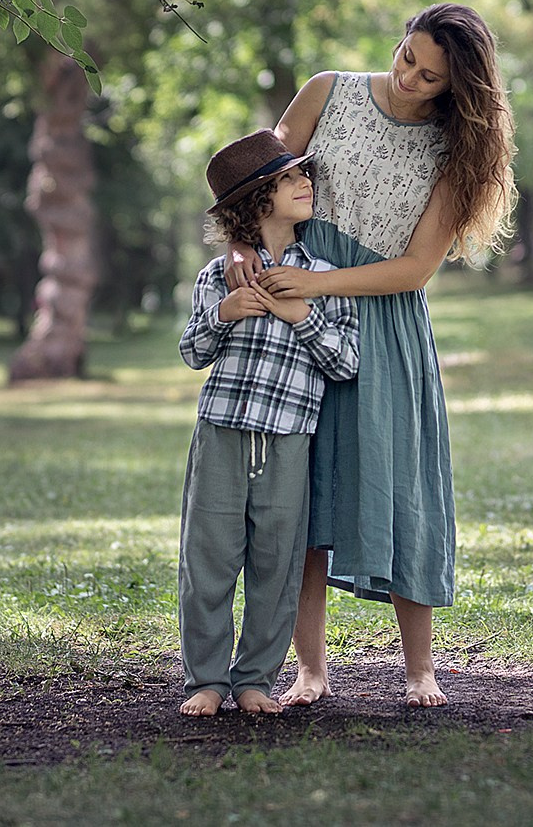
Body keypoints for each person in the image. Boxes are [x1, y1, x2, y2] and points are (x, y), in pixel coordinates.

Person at [230, 3, 516, 707]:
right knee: (297, 496)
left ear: (457, 87)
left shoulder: (454, 152)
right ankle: (310, 670)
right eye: (407, 57)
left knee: (399, 488)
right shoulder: (326, 91)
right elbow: (252, 190)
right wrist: (242, 251)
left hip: (382, 323)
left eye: (430, 76)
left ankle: (420, 669)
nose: (409, 77)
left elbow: (417, 268)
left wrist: (322, 282)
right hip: (291, 314)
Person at [175, 129, 360, 717]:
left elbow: (346, 362)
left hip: (288, 439)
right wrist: (225, 314)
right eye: (288, 179)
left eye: (303, 174)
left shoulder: (326, 279)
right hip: (222, 430)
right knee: (208, 558)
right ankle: (206, 679)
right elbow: (191, 352)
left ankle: (255, 678)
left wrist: (299, 315)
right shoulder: (218, 277)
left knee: (276, 563)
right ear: (255, 201)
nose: (304, 182)